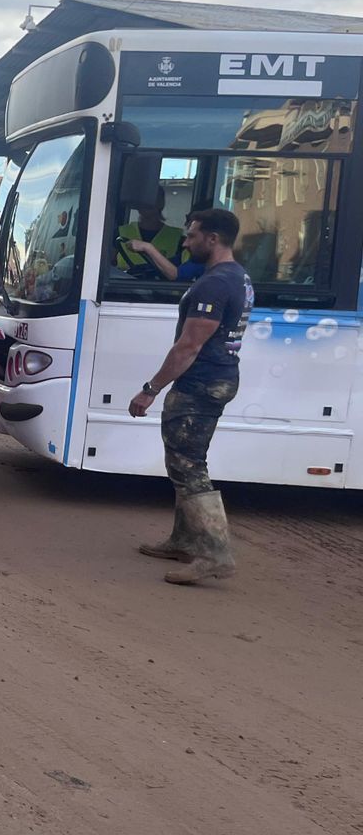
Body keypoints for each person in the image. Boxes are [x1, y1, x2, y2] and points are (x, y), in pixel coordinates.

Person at [127, 209, 252, 584]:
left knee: (188, 466)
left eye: (192, 235)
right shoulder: (235, 276)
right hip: (216, 378)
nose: (185, 241)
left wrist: (150, 390)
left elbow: (188, 346)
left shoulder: (215, 284)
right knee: (184, 461)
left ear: (212, 239)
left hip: (200, 383)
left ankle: (215, 553)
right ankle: (184, 540)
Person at [114, 194, 184, 279]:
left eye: (153, 199)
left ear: (161, 203)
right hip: (121, 288)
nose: (148, 203)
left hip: (163, 290)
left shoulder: (179, 239)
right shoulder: (119, 233)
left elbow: (181, 275)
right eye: (145, 200)